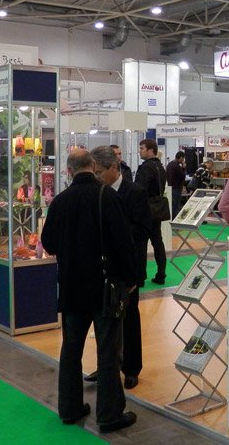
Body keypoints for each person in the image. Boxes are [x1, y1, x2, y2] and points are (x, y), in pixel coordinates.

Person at [40, 148, 138, 433]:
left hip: (71, 287)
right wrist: (131, 278)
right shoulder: (107, 197)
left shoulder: (60, 201)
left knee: (71, 349)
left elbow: (49, 243)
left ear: (69, 171)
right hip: (104, 287)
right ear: (93, 165)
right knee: (108, 351)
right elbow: (124, 243)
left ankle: (69, 408)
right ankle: (109, 414)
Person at [85, 146, 151, 390]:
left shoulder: (135, 192)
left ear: (114, 168)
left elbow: (143, 230)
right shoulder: (96, 192)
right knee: (104, 321)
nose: (97, 177)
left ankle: (131, 368)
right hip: (101, 268)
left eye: (100, 172)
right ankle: (106, 365)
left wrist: (115, 234)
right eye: (94, 173)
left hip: (127, 267)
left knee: (129, 317)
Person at [135, 138, 168, 285]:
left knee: (141, 244)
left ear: (150, 150)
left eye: (142, 148)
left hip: (145, 210)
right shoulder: (160, 167)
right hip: (157, 210)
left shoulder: (146, 168)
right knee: (158, 243)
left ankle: (140, 277)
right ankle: (161, 274)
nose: (139, 151)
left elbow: (139, 189)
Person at [165, 151, 187, 219]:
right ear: (180, 157)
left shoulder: (169, 164)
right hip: (176, 188)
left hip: (170, 187)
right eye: (183, 158)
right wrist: (183, 168)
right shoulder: (177, 166)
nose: (183, 160)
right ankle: (175, 220)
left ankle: (171, 219)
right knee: (176, 205)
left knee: (172, 205)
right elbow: (182, 176)